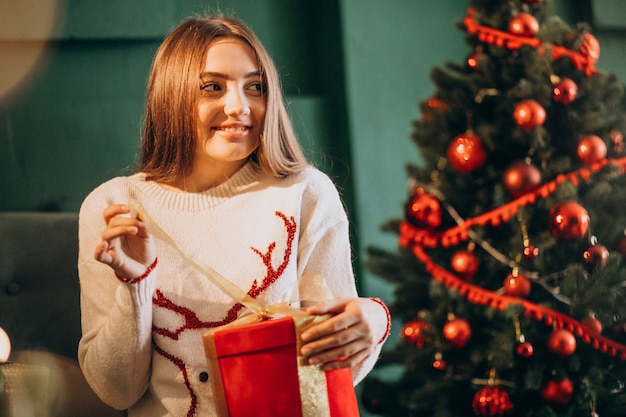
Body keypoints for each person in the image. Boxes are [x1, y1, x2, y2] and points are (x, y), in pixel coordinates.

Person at [77, 14, 391, 416]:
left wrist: (374, 323)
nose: (240, 106)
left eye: (255, 87)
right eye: (213, 87)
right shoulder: (112, 207)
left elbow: (333, 368)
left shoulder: (305, 193)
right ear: (171, 94)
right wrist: (135, 286)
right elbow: (116, 391)